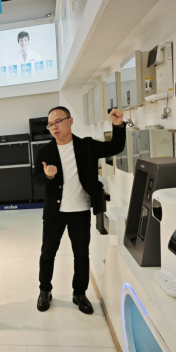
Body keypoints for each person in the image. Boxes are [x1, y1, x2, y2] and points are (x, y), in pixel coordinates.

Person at [33, 107, 126, 314]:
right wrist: (47, 176)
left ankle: (79, 293)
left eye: (58, 122)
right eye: (50, 124)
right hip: (55, 212)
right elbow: (36, 179)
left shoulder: (86, 146)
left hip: (80, 210)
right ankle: (44, 290)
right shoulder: (45, 152)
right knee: (48, 253)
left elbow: (115, 147)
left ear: (70, 121)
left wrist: (118, 125)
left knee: (81, 254)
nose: (54, 127)